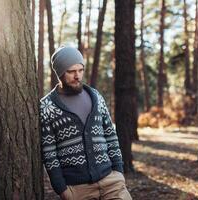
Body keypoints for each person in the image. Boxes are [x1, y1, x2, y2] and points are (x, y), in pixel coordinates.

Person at [39, 46, 132, 200]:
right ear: (60, 73)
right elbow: (49, 153)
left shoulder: (96, 97)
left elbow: (111, 136)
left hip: (112, 182)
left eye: (80, 70)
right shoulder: (47, 106)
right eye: (71, 71)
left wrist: (118, 171)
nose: (78, 76)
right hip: (77, 190)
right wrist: (61, 189)